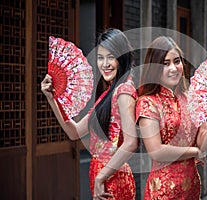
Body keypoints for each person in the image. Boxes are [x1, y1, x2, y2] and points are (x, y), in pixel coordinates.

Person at [41, 28, 138, 200]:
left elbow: (130, 143)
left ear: (122, 58)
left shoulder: (123, 91)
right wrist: (52, 99)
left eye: (111, 57)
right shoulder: (108, 94)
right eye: (101, 57)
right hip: (102, 173)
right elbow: (74, 131)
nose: (105, 64)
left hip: (112, 177)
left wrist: (102, 177)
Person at [136, 36, 207, 200]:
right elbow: (156, 151)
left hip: (191, 187)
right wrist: (194, 152)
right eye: (165, 64)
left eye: (177, 61)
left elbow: (204, 142)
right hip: (163, 191)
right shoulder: (148, 102)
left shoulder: (191, 98)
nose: (174, 68)